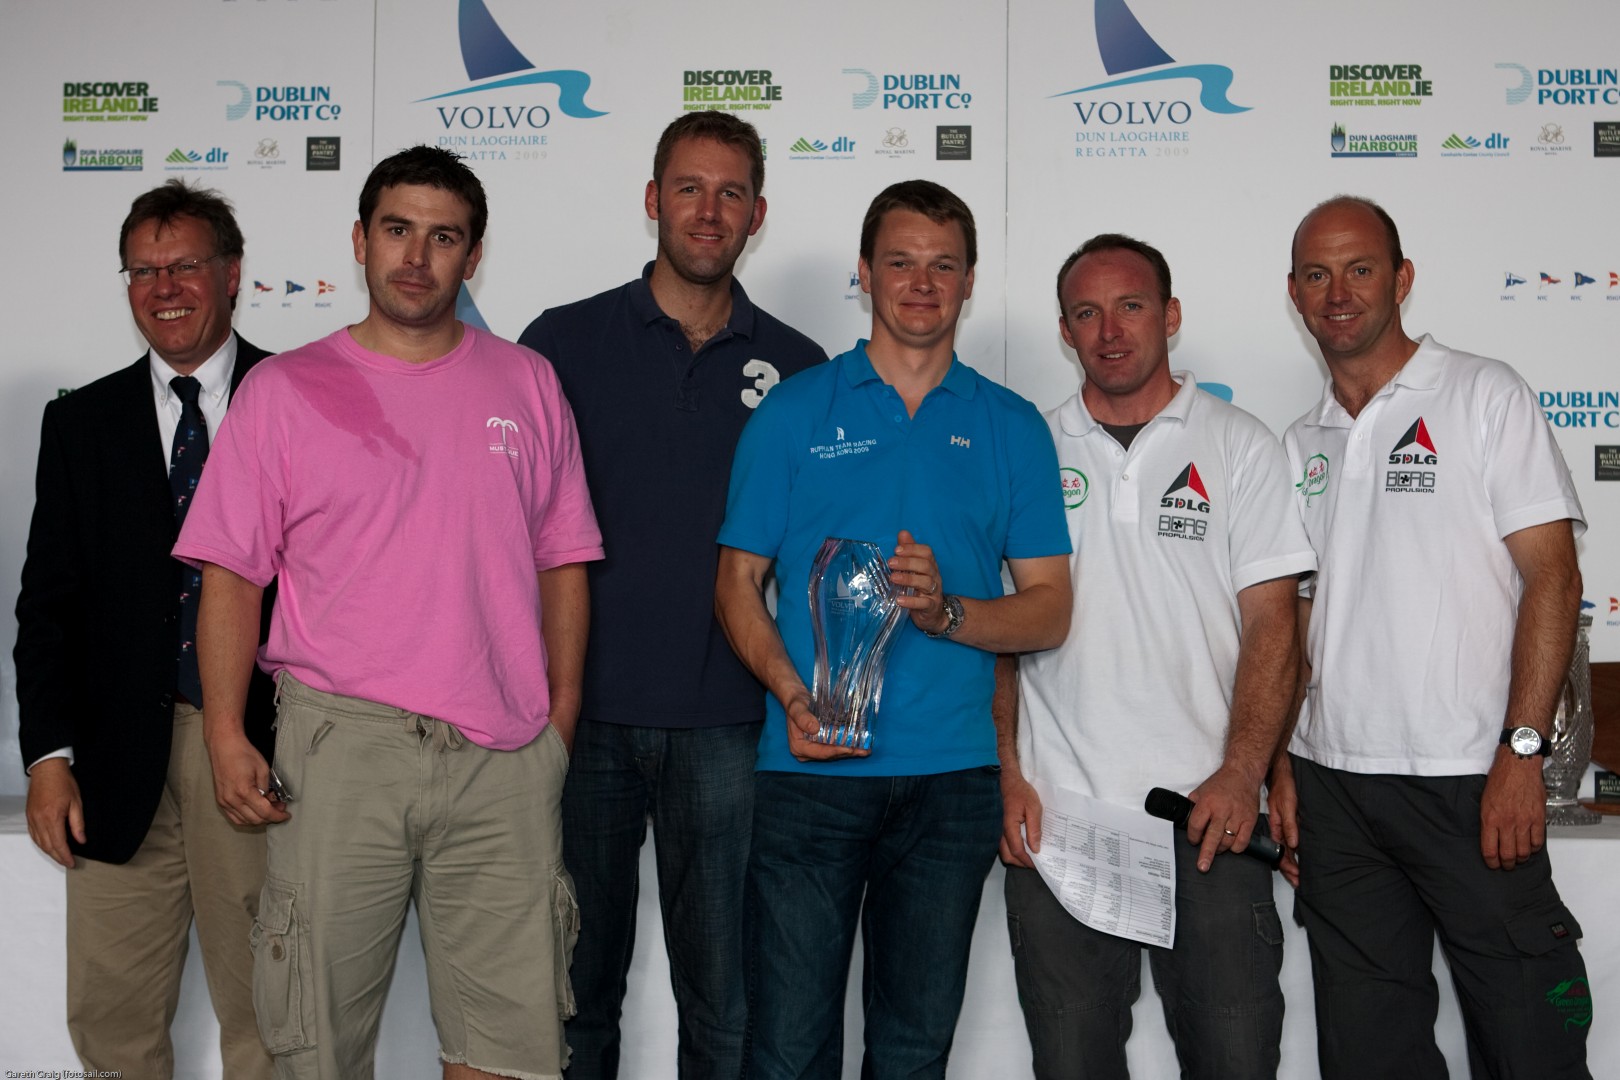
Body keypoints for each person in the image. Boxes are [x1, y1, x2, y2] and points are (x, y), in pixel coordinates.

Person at [173, 146, 602, 1080]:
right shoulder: (284, 392)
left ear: (473, 256)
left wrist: (559, 721)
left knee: (510, 1051)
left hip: (501, 759)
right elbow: (232, 577)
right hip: (340, 751)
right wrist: (224, 732)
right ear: (361, 241)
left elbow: (562, 560)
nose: (417, 256)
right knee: (314, 1045)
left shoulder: (529, 383)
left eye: (443, 237)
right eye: (398, 230)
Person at [714, 179, 1073, 1079]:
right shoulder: (795, 410)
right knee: (787, 1051)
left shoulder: (1011, 426)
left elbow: (1048, 607)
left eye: (943, 266)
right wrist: (791, 695)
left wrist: (948, 612)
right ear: (866, 274)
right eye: (901, 263)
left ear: (969, 282)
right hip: (811, 772)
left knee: (913, 1054)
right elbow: (736, 583)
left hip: (951, 783)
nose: (922, 283)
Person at [516, 111, 825, 1079]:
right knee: (575, 998)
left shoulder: (801, 367)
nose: (709, 211)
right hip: (581, 719)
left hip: (730, 721)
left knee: (724, 1004)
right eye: (689, 188)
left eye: (732, 193)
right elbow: (509, 535)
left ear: (758, 215)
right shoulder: (560, 344)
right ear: (653, 200)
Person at [1272, 195, 1592, 1079]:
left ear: (1402, 278)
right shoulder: (1301, 441)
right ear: (1294, 294)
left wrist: (1521, 754)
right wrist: (1284, 763)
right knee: (1369, 1056)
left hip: (1470, 777)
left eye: (1360, 269)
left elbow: (1555, 579)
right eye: (1317, 274)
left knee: (1531, 1046)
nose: (1339, 293)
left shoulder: (1484, 393)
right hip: (1336, 787)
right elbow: (1299, 621)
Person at [996, 234, 1315, 1080]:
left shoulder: (1240, 444)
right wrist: (1008, 774)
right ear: (1064, 330)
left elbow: (1274, 628)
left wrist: (1243, 772)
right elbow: (998, 632)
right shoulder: (1027, 448)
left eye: (1130, 306)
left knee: (1235, 1063)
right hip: (1061, 824)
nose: (1110, 331)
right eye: (1087, 313)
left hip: (1209, 818)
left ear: (1170, 315)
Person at [15, 178, 277, 1078]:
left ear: (232, 274)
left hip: (261, 756)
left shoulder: (299, 398)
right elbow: (48, 606)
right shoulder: (79, 423)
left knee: (273, 1021)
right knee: (113, 1024)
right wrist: (48, 757)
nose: (164, 288)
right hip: (112, 769)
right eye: (143, 270)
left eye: (185, 265)